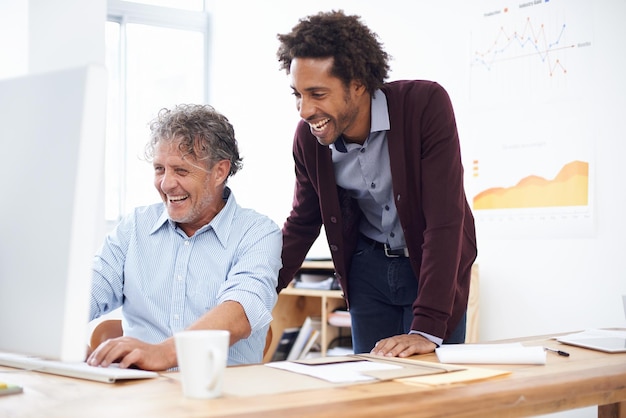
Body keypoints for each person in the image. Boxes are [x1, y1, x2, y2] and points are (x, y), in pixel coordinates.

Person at [276, 10, 477, 357]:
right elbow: (302, 224)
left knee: (432, 391)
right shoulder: (308, 140)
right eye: (297, 94)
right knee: (368, 388)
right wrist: (252, 294)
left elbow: (445, 220)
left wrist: (427, 327)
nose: (304, 110)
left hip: (433, 264)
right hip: (367, 269)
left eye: (317, 94)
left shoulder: (425, 106)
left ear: (357, 84)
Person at [87, 104, 282, 371]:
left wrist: (164, 353)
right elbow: (86, 293)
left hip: (223, 401)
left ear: (220, 172)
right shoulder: (134, 228)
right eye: (159, 169)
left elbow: (240, 310)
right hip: (141, 396)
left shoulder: (258, 233)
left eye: (181, 171)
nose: (166, 184)